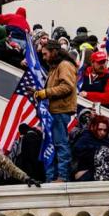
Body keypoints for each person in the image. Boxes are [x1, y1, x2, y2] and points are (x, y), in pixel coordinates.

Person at [31, 40, 77, 182]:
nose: (43, 57)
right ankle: (51, 177)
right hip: (53, 113)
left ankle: (62, 177)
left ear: (53, 52)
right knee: (51, 145)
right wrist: (38, 93)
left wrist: (45, 93)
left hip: (60, 112)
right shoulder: (54, 67)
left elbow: (67, 87)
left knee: (60, 144)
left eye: (45, 54)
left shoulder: (64, 65)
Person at [71, 115, 109, 181]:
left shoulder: (107, 140)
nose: (102, 132)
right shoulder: (85, 137)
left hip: (99, 173)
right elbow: (77, 151)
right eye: (100, 129)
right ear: (93, 127)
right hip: (85, 174)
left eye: (105, 130)